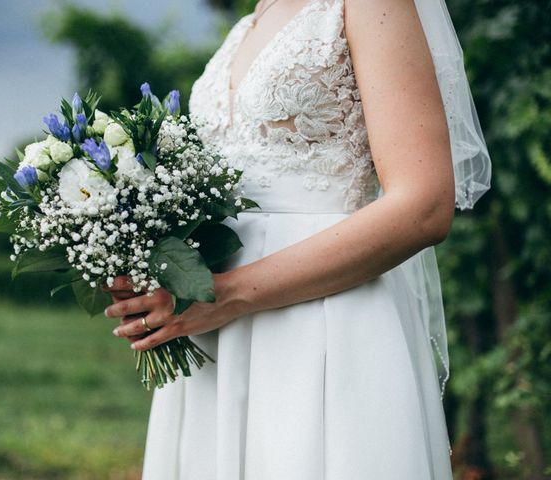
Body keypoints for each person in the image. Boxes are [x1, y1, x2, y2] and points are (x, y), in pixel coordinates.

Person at [104, 0, 490, 478]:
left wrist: (229, 294)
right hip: (212, 341)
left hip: (321, 321)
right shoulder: (255, 16)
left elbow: (424, 205)